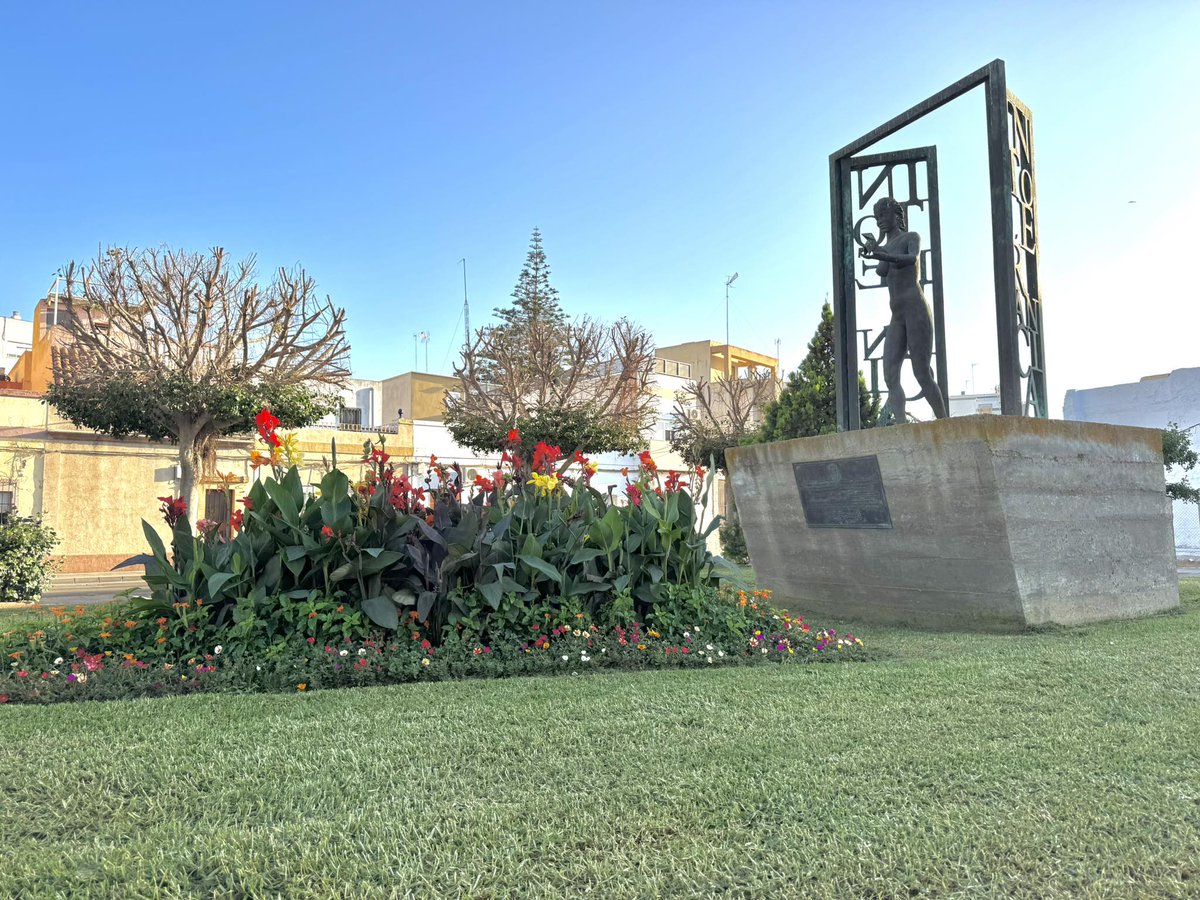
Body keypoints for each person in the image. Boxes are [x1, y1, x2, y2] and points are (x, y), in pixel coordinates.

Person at [859, 197, 947, 423]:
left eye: (884, 216)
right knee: (890, 375)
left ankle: (944, 423)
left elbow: (910, 259)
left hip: (916, 309)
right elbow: (882, 269)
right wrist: (873, 249)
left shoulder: (911, 238)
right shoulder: (886, 246)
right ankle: (901, 426)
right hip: (897, 315)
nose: (880, 221)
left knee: (921, 372)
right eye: (877, 217)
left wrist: (880, 253)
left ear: (897, 216)